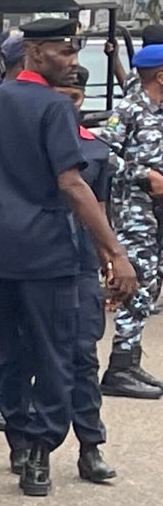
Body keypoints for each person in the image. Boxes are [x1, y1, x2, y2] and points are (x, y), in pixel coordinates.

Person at [0, 17, 137, 497]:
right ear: (37, 51)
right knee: (54, 354)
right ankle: (38, 458)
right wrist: (114, 251)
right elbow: (71, 182)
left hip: (3, 248)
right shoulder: (53, 107)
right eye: (65, 52)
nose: (72, 63)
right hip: (50, 251)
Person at [36, 68, 121, 481]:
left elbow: (101, 211)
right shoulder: (35, 145)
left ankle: (90, 445)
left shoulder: (97, 151)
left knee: (84, 358)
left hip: (83, 264)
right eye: (62, 98)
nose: (69, 107)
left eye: (75, 98)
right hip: (41, 262)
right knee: (39, 358)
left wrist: (111, 260)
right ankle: (35, 450)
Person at [97, 43, 163, 396]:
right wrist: (143, 176)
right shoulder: (129, 109)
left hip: (159, 212)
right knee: (136, 280)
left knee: (153, 283)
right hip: (136, 211)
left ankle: (130, 360)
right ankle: (119, 367)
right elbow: (102, 153)